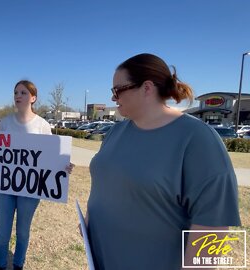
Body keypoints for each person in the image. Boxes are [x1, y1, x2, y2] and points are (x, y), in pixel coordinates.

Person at [83, 53, 241, 269]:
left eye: (117, 90)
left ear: (147, 88)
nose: (113, 98)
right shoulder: (115, 132)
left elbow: (215, 227)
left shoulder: (198, 140)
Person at [0, 80, 74, 270]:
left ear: (33, 98)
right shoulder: (6, 122)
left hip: (30, 190)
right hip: (6, 187)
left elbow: (49, 157)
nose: (18, 96)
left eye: (23, 93)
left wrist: (63, 166)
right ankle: (1, 265)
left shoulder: (42, 125)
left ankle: (18, 264)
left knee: (23, 232)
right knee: (2, 235)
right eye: (16, 92)